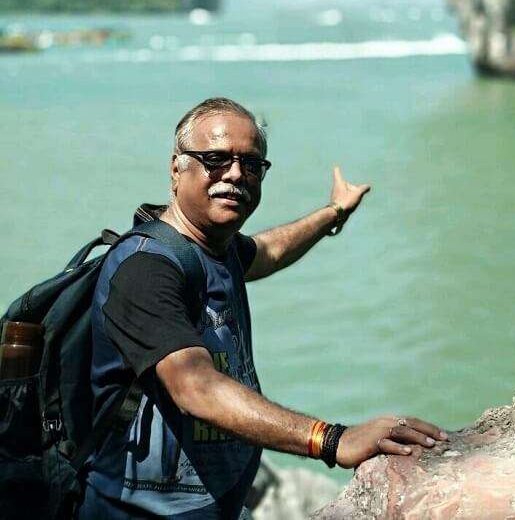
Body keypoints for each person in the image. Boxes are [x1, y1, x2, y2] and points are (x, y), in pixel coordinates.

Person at [80, 97, 447, 519]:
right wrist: (332, 440)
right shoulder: (145, 268)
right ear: (176, 168)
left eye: (251, 164)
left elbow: (269, 250)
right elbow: (195, 387)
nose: (235, 173)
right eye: (215, 159)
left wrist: (334, 213)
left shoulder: (217, 250)